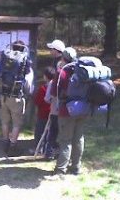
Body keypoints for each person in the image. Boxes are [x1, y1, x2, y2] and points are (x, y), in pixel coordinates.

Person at [51, 46, 86, 176]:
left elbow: (54, 92)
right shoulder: (82, 71)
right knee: (78, 138)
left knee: (65, 140)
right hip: (83, 109)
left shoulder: (62, 72)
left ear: (63, 58)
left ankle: (61, 169)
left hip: (67, 110)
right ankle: (76, 167)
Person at [0, 40, 34, 157]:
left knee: (5, 121)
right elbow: (27, 75)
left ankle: (5, 144)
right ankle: (13, 147)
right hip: (17, 96)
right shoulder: (24, 60)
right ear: (23, 49)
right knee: (16, 123)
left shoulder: (6, 58)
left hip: (4, 95)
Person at [33, 66, 56, 158]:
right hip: (52, 113)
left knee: (40, 131)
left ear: (45, 76)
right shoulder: (55, 87)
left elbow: (37, 101)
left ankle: (39, 149)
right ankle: (48, 149)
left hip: (43, 114)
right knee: (50, 132)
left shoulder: (43, 89)